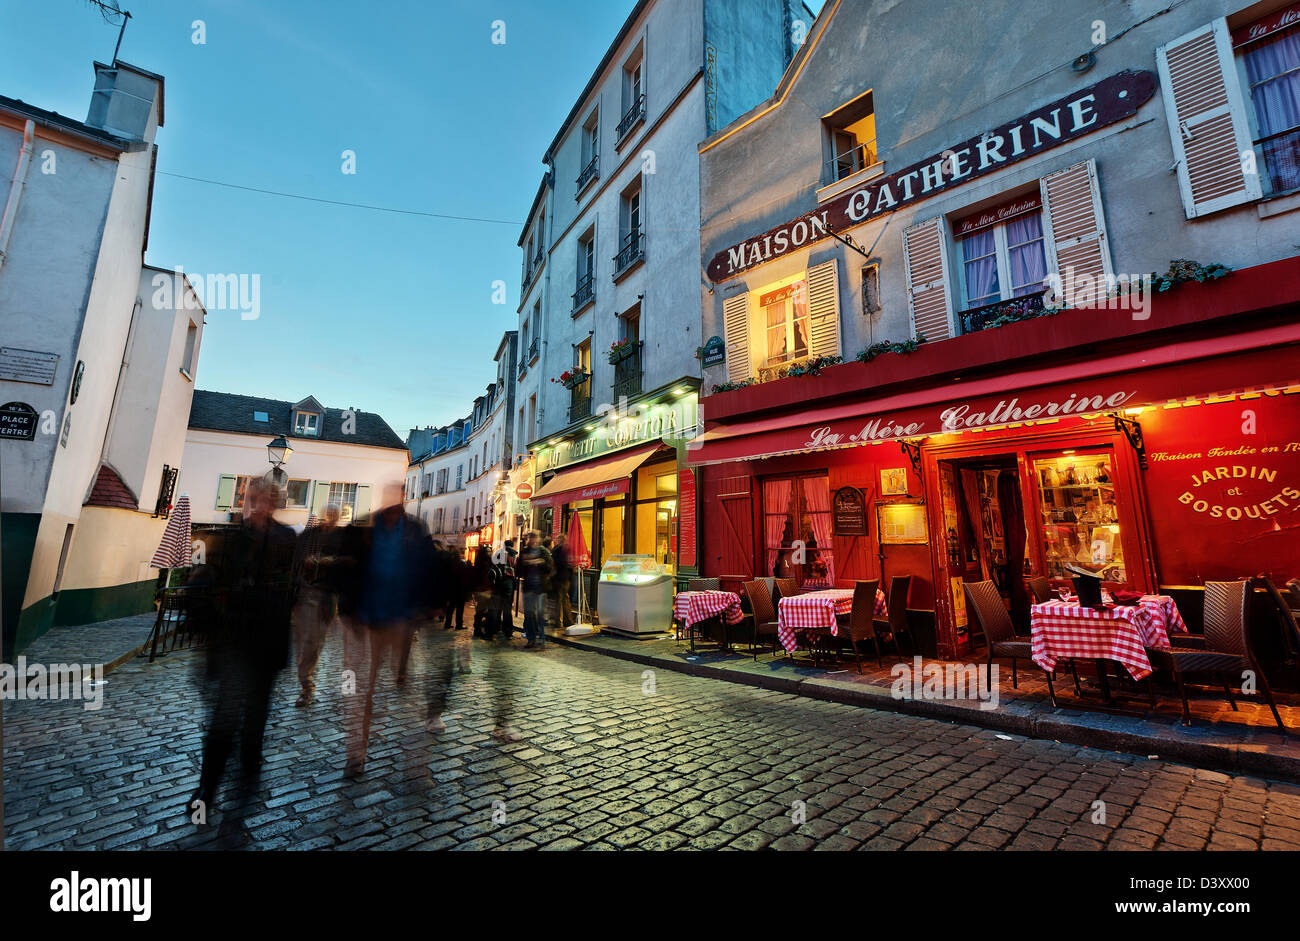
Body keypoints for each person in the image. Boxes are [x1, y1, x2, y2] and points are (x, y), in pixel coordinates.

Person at [188, 476, 296, 829]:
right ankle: (208, 785)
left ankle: (249, 766)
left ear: (276, 503)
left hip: (268, 638)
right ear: (246, 501)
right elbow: (207, 581)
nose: (260, 506)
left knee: (258, 708)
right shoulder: (229, 538)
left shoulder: (287, 539)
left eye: (267, 499)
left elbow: (292, 590)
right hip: (234, 639)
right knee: (225, 714)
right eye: (254, 499)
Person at [336, 482, 438, 775]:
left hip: (401, 621)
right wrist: (347, 610)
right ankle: (356, 753)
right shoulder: (364, 530)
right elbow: (347, 569)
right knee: (358, 692)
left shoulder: (415, 530)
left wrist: (428, 605)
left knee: (407, 691)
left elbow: (429, 568)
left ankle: (416, 761)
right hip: (365, 621)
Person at [291, 504, 343, 707]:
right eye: (328, 514)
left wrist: (333, 561)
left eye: (333, 515)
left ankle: (307, 681)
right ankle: (306, 684)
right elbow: (296, 558)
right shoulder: (309, 535)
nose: (330, 518)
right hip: (308, 591)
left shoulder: (341, 538)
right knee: (308, 640)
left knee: (317, 641)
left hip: (329, 596)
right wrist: (307, 560)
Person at [518, 531, 553, 649]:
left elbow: (549, 568)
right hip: (528, 588)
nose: (533, 540)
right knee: (529, 614)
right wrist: (526, 562)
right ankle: (531, 639)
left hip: (541, 588)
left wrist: (540, 562)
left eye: (535, 538)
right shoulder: (524, 552)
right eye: (531, 538)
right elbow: (518, 570)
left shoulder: (544, 552)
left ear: (538, 539)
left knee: (540, 614)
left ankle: (542, 638)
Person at [470, 545, 495, 638]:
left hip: (487, 590)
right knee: (483, 612)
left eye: (490, 551)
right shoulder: (483, 564)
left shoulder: (489, 563)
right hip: (483, 590)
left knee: (482, 612)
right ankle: (481, 630)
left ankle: (479, 630)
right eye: (487, 551)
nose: (489, 553)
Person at [551, 533, 573, 629]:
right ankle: (567, 620)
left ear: (559, 540)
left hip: (558, 577)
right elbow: (570, 563)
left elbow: (553, 562)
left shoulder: (556, 549)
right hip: (566, 577)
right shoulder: (568, 549)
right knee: (565, 598)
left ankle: (558, 621)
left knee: (559, 599)